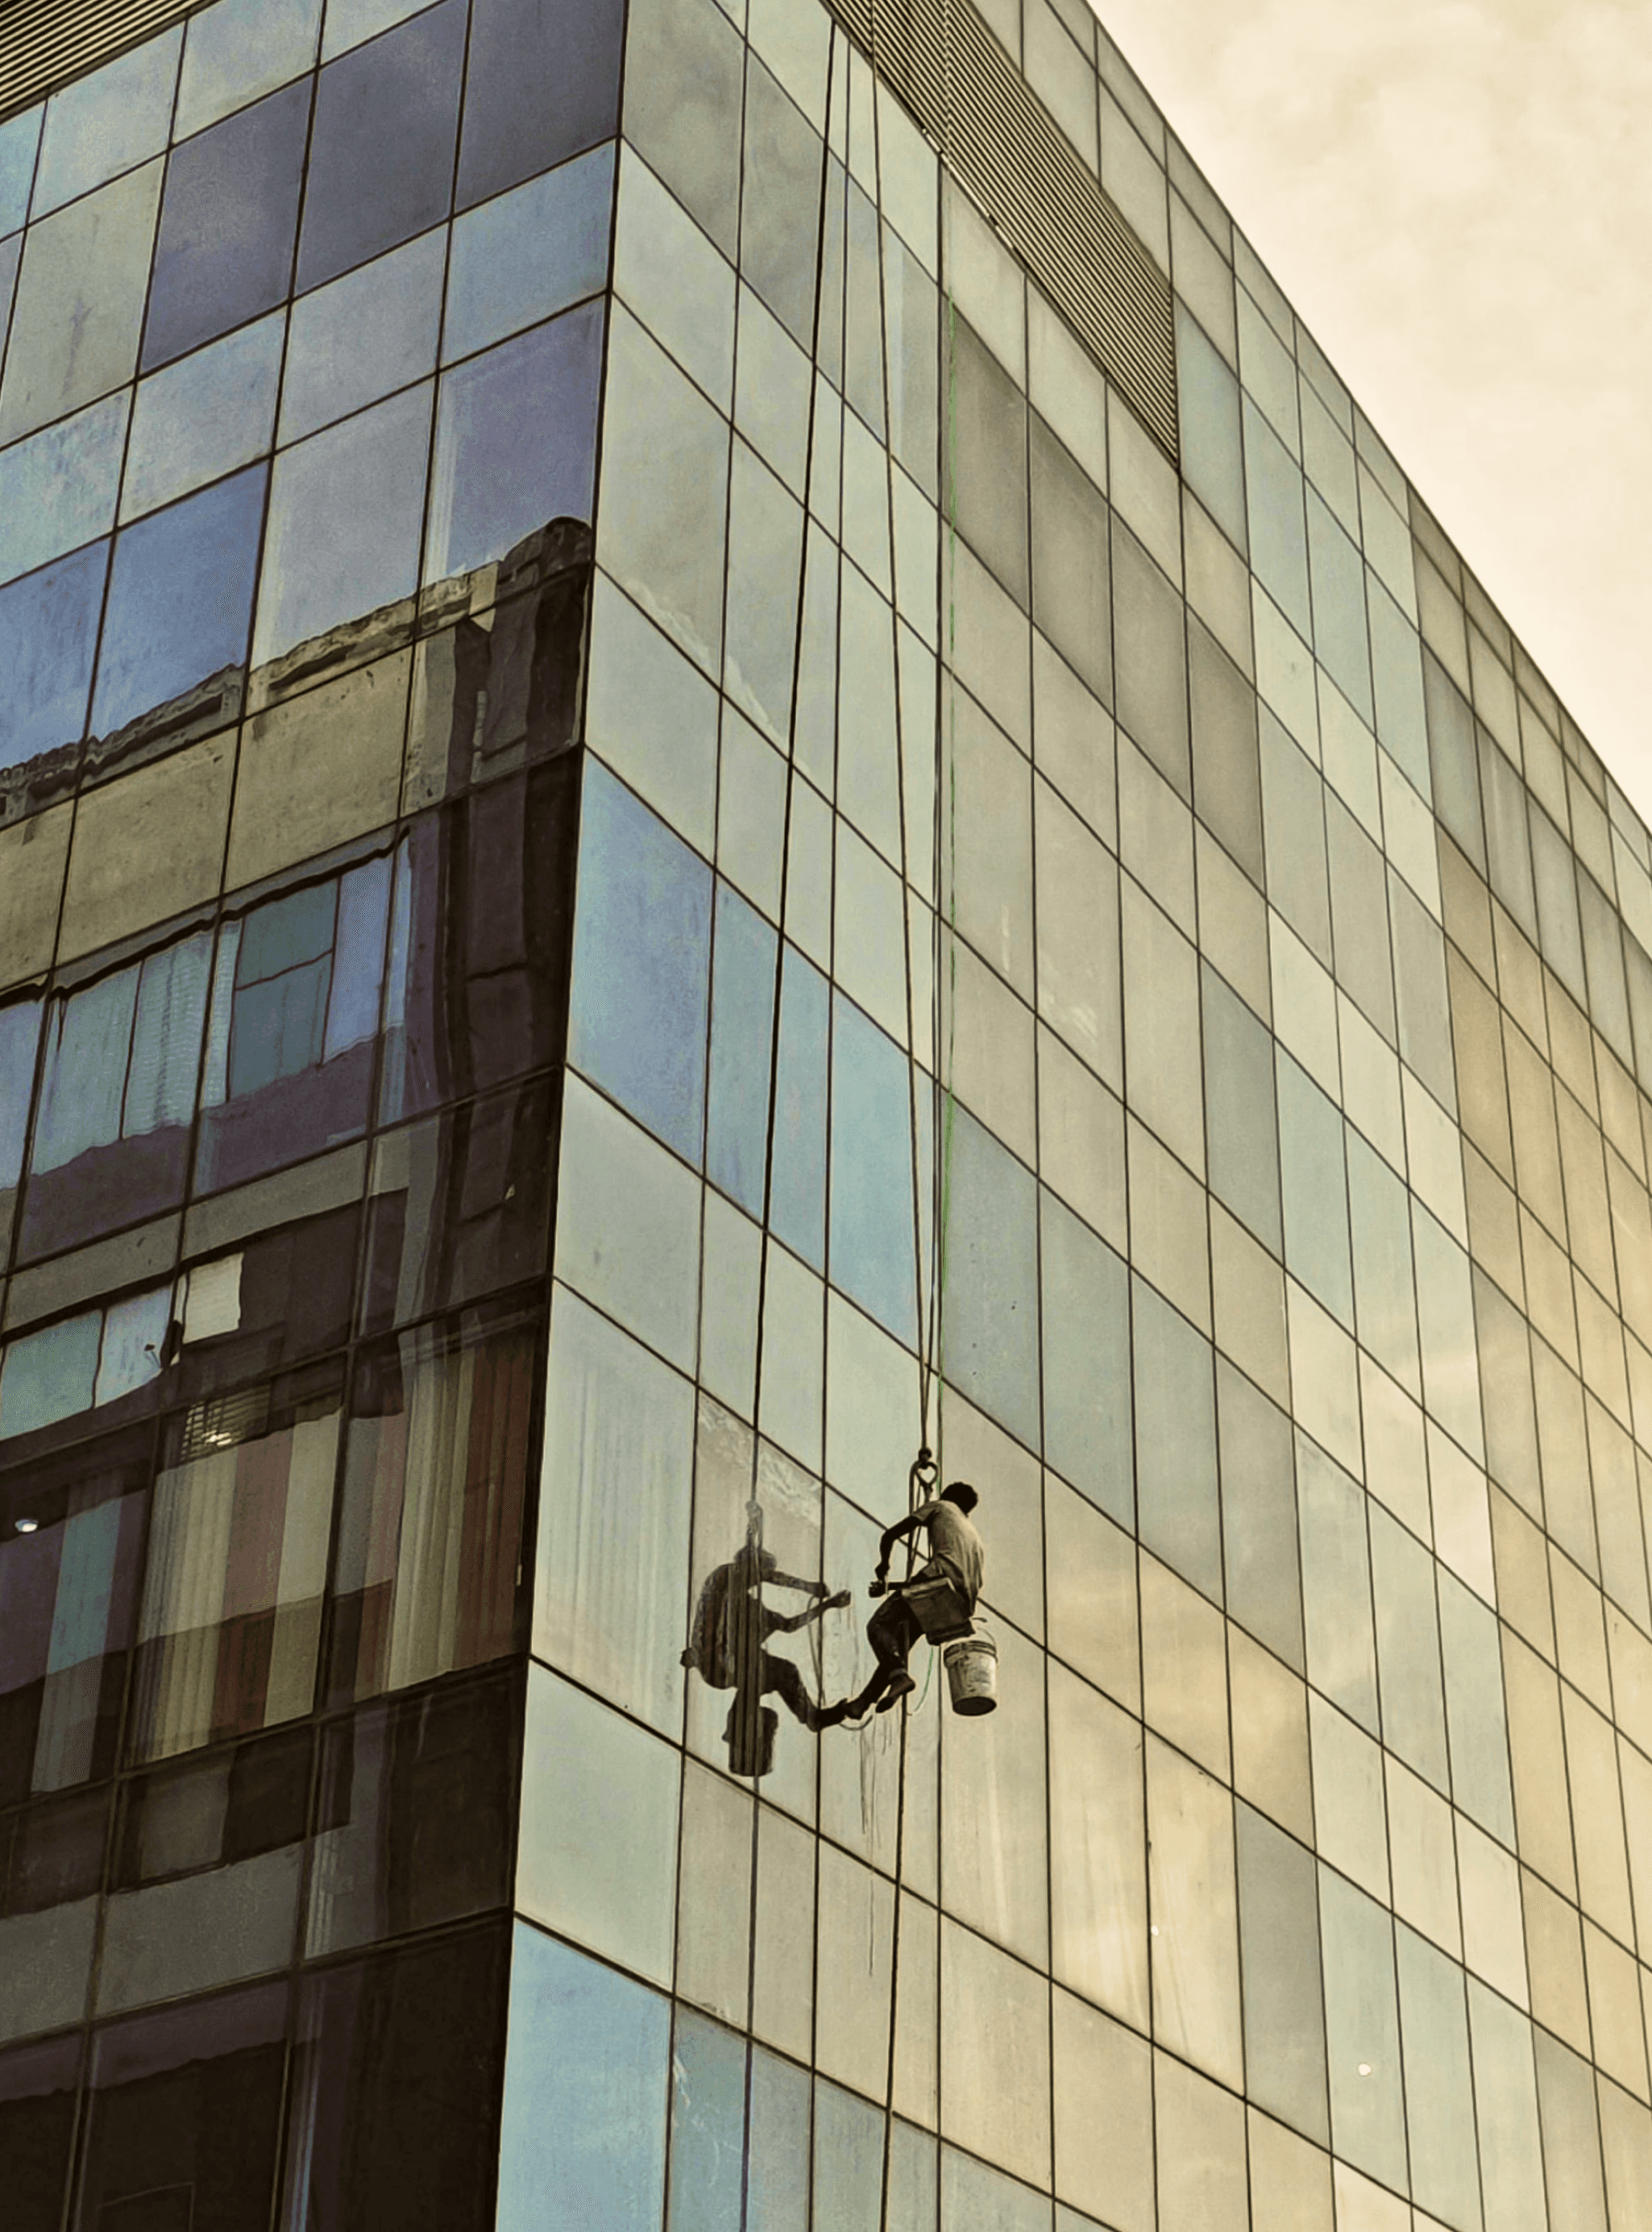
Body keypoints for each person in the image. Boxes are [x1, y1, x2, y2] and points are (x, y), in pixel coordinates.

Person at [681, 1541, 853, 1739]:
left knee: (781, 1671)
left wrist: (826, 1603)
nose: (759, 1581)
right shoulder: (725, 1581)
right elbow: (772, 1580)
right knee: (766, 1672)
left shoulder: (755, 1611)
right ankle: (744, 1717)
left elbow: (789, 1624)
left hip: (726, 1665)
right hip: (718, 1664)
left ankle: (807, 1717)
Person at [844, 1482, 985, 1716]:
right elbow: (946, 1577)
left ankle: (899, 1678)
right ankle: (863, 1702)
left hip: (936, 1584)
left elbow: (889, 1536)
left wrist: (883, 1564)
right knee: (896, 1648)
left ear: (948, 1497)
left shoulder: (940, 1506)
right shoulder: (975, 1539)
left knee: (878, 1626)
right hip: (957, 1603)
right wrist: (890, 1587)